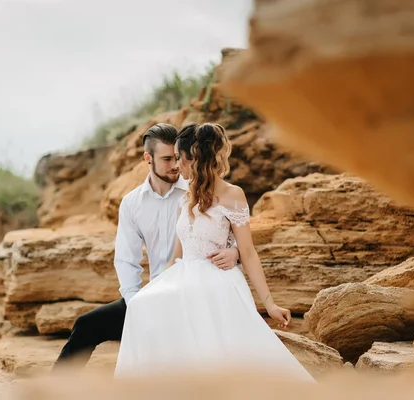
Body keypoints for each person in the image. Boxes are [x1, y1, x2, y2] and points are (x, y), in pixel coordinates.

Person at [114, 123, 315, 381]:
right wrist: (154, 290)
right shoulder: (185, 198)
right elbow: (177, 256)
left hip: (217, 283)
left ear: (194, 158)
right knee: (142, 306)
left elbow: (248, 252)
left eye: (179, 158)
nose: (177, 165)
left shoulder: (233, 195)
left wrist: (269, 304)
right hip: (183, 280)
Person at [52, 123, 240, 370]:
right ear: (147, 158)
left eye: (177, 158)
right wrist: (136, 305)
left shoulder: (197, 192)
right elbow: (126, 260)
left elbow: (229, 226)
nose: (175, 165)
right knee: (87, 324)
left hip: (192, 294)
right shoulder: (132, 203)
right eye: (165, 159)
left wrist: (235, 252)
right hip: (150, 294)